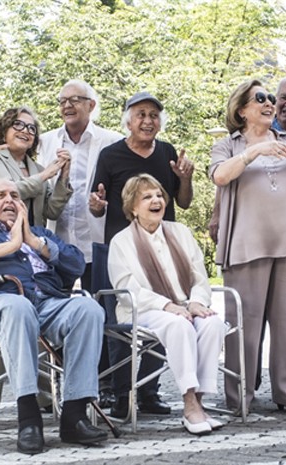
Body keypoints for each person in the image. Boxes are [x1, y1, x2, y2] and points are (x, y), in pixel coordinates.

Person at [0, 178, 107, 454]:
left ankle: (74, 415)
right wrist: (10, 245)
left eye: (14, 195)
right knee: (18, 308)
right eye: (1, 195)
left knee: (88, 309)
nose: (9, 200)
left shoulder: (40, 233)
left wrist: (34, 241)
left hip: (45, 304)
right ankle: (29, 419)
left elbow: (77, 264)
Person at [209, 79, 286, 415]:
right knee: (243, 325)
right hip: (247, 242)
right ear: (242, 109)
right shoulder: (228, 145)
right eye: (259, 98)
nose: (269, 103)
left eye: (269, 98)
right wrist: (253, 152)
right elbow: (220, 176)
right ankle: (240, 396)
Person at [89, 91, 195, 418]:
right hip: (121, 253)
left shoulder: (167, 152)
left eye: (153, 115)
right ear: (128, 121)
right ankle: (122, 395)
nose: (148, 121)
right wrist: (96, 206)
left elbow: (185, 202)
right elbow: (97, 205)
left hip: (162, 251)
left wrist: (185, 179)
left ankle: (149, 390)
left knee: (166, 316)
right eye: (141, 115)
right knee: (121, 324)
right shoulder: (110, 155)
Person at [0, 106, 73, 418]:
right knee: (4, 309)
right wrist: (46, 175)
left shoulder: (37, 166)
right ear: (4, 128)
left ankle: (42, 395)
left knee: (35, 306)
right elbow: (9, 192)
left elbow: (52, 211)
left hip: (29, 247)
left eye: (32, 128)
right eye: (18, 124)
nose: (26, 131)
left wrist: (62, 177)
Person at [108, 174, 227, 435]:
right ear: (133, 207)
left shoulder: (180, 232)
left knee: (212, 323)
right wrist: (167, 306)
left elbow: (199, 275)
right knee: (179, 325)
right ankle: (188, 402)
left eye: (159, 195)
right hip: (143, 311)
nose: (156, 200)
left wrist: (196, 302)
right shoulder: (121, 241)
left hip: (186, 304)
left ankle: (200, 400)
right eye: (147, 197)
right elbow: (127, 289)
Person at [38, 80, 123, 408]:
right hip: (53, 246)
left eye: (75, 100)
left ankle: (103, 383)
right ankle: (55, 384)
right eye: (62, 101)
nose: (67, 106)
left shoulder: (111, 141)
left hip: (96, 242)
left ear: (91, 105)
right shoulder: (44, 143)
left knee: (99, 313)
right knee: (50, 314)